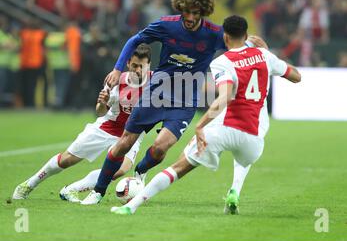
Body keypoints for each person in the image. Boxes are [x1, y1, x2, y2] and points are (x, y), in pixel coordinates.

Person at [81, 0, 264, 205]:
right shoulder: (167, 26)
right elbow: (135, 40)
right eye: (186, 11)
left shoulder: (214, 34)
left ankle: (140, 172)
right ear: (180, 8)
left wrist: (256, 47)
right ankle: (98, 191)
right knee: (125, 142)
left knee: (160, 149)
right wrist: (118, 69)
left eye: (195, 12)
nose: (190, 17)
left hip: (186, 100)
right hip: (157, 91)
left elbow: (240, 47)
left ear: (203, 11)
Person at [110, 15, 301, 215]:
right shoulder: (264, 56)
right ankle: (235, 189)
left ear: (225, 37)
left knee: (179, 167)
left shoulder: (222, 61)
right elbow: (296, 76)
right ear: (246, 35)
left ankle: (131, 206)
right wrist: (267, 56)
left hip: (226, 129)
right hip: (253, 139)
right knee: (243, 157)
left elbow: (225, 97)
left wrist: (200, 125)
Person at [12, 45, 151, 202]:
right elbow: (100, 112)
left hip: (131, 135)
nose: (138, 70)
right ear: (127, 64)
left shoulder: (155, 83)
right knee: (66, 160)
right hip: (107, 128)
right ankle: (28, 184)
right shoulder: (115, 81)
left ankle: (71, 190)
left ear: (149, 65)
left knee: (120, 169)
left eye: (142, 66)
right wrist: (102, 103)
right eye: (134, 66)